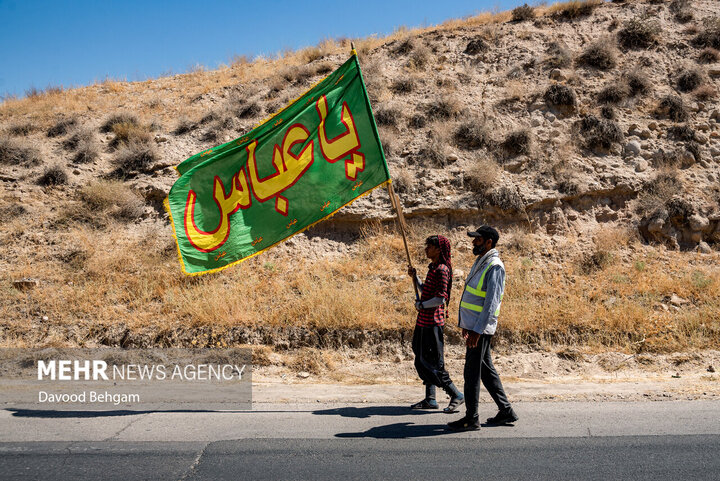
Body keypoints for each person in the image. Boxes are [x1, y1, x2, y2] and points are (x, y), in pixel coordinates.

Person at [448, 225, 518, 431]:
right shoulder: (482, 261)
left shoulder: (495, 265)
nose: (473, 242)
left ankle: (472, 418)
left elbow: (491, 303)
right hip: (475, 327)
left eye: (477, 239)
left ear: (489, 242)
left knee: (471, 374)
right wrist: (467, 325)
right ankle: (506, 411)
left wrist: (477, 330)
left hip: (481, 330)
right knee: (486, 371)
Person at [407, 235, 464, 413]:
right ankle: (430, 399)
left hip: (432, 322)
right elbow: (427, 291)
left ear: (439, 249)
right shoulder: (433, 268)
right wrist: (415, 279)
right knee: (422, 357)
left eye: (430, 247)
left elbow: (440, 298)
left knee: (434, 363)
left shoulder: (442, 270)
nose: (426, 249)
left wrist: (422, 305)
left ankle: (456, 394)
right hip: (423, 321)